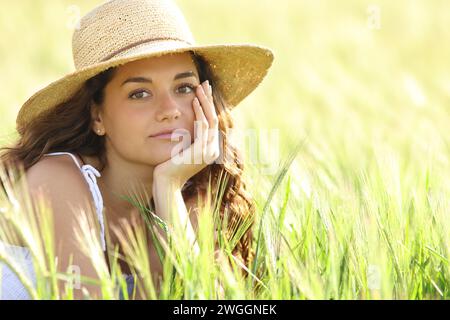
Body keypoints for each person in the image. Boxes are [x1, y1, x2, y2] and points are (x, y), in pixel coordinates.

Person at [0, 0, 273, 299]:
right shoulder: (56, 181)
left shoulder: (194, 194)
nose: (169, 110)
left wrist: (168, 188)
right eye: (139, 93)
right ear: (97, 116)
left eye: (183, 88)